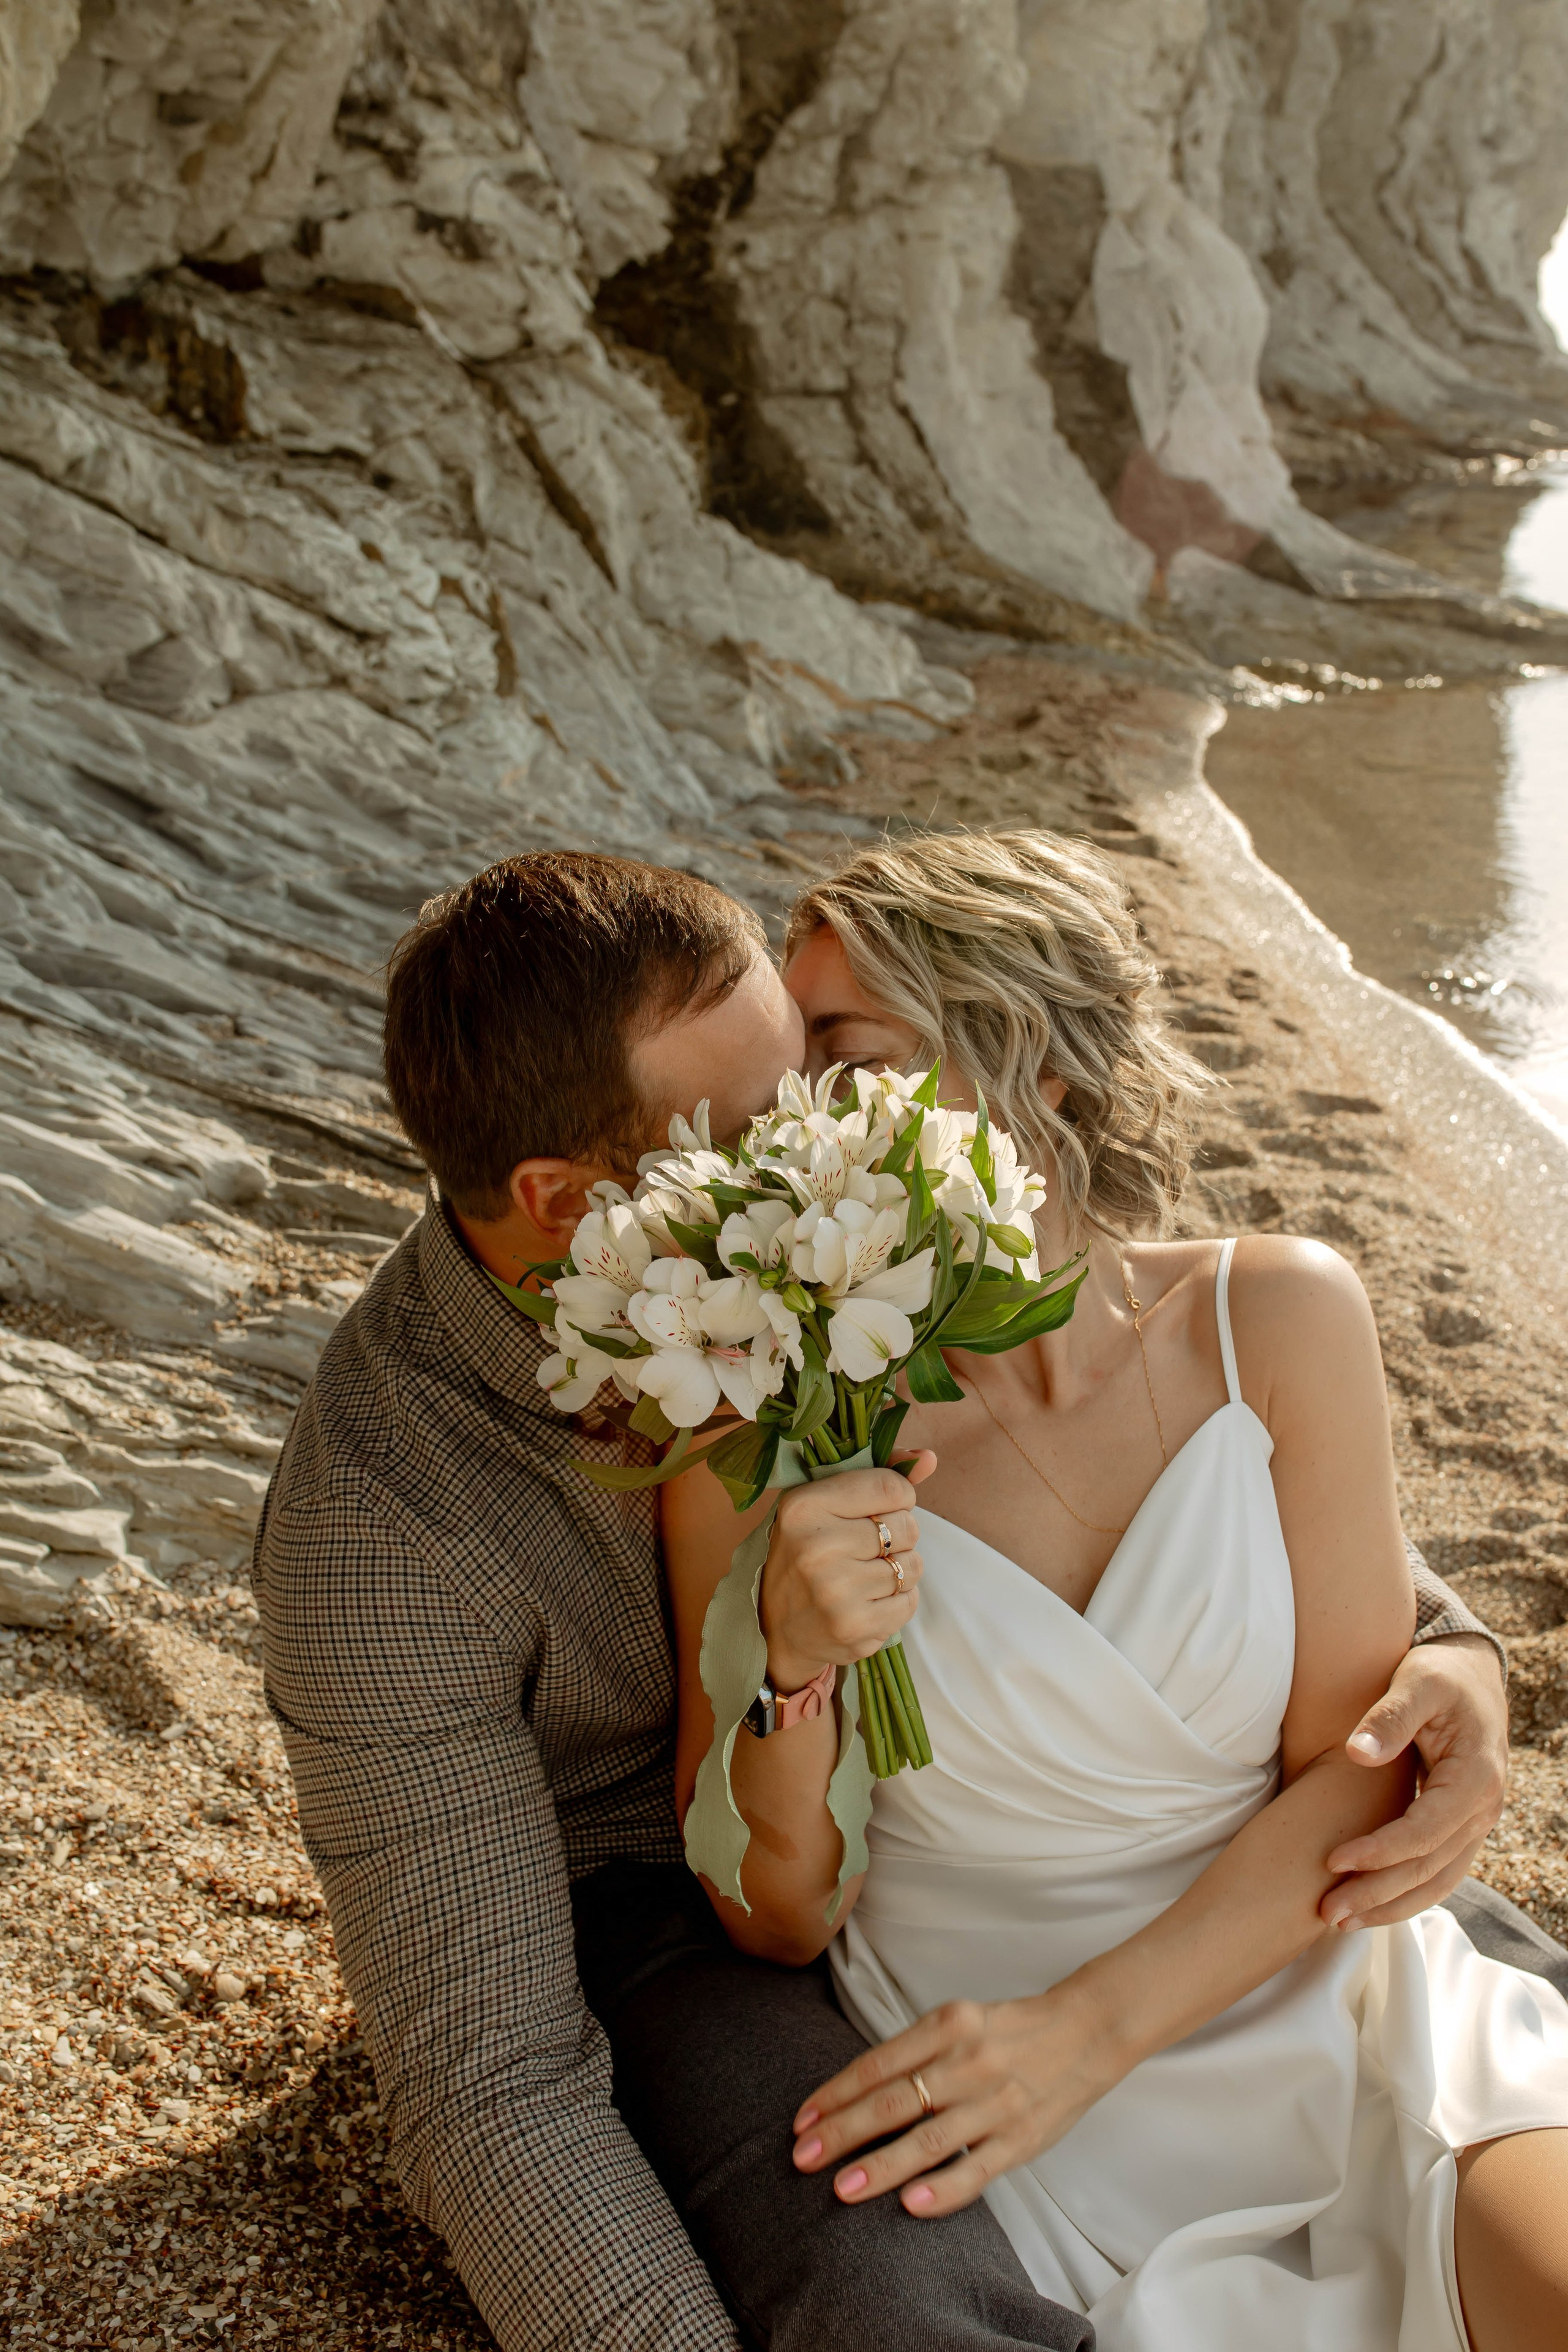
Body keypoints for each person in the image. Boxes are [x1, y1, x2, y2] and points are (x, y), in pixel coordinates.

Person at [254, 848, 1541, 2352]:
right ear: (563, 1201)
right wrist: (786, 1676)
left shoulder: (848, 1304)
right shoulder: (386, 1531)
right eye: (755, 1124)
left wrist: (1457, 1652)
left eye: (815, 1076)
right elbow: (490, 2085)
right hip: (660, 1904)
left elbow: (1228, 1544)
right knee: (884, 2293)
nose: (801, 1148)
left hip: (1233, 1939)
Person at [661, 828, 1568, 2352]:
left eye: (847, 1057)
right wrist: (788, 1665)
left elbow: (1351, 1781)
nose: (791, 1119)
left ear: (1043, 1078)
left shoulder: (1275, 1316)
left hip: (1332, 2011)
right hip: (995, 2097)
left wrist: (1088, 2033)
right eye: (785, 1074)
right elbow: (773, 1916)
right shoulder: (763, 1423)